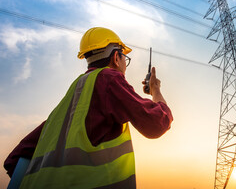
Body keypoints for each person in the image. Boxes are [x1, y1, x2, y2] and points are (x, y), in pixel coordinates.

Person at [4, 27, 173, 188]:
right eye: (125, 59)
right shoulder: (109, 78)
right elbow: (156, 123)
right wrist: (156, 90)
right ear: (116, 57)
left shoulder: (72, 95)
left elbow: (15, 159)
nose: (124, 65)